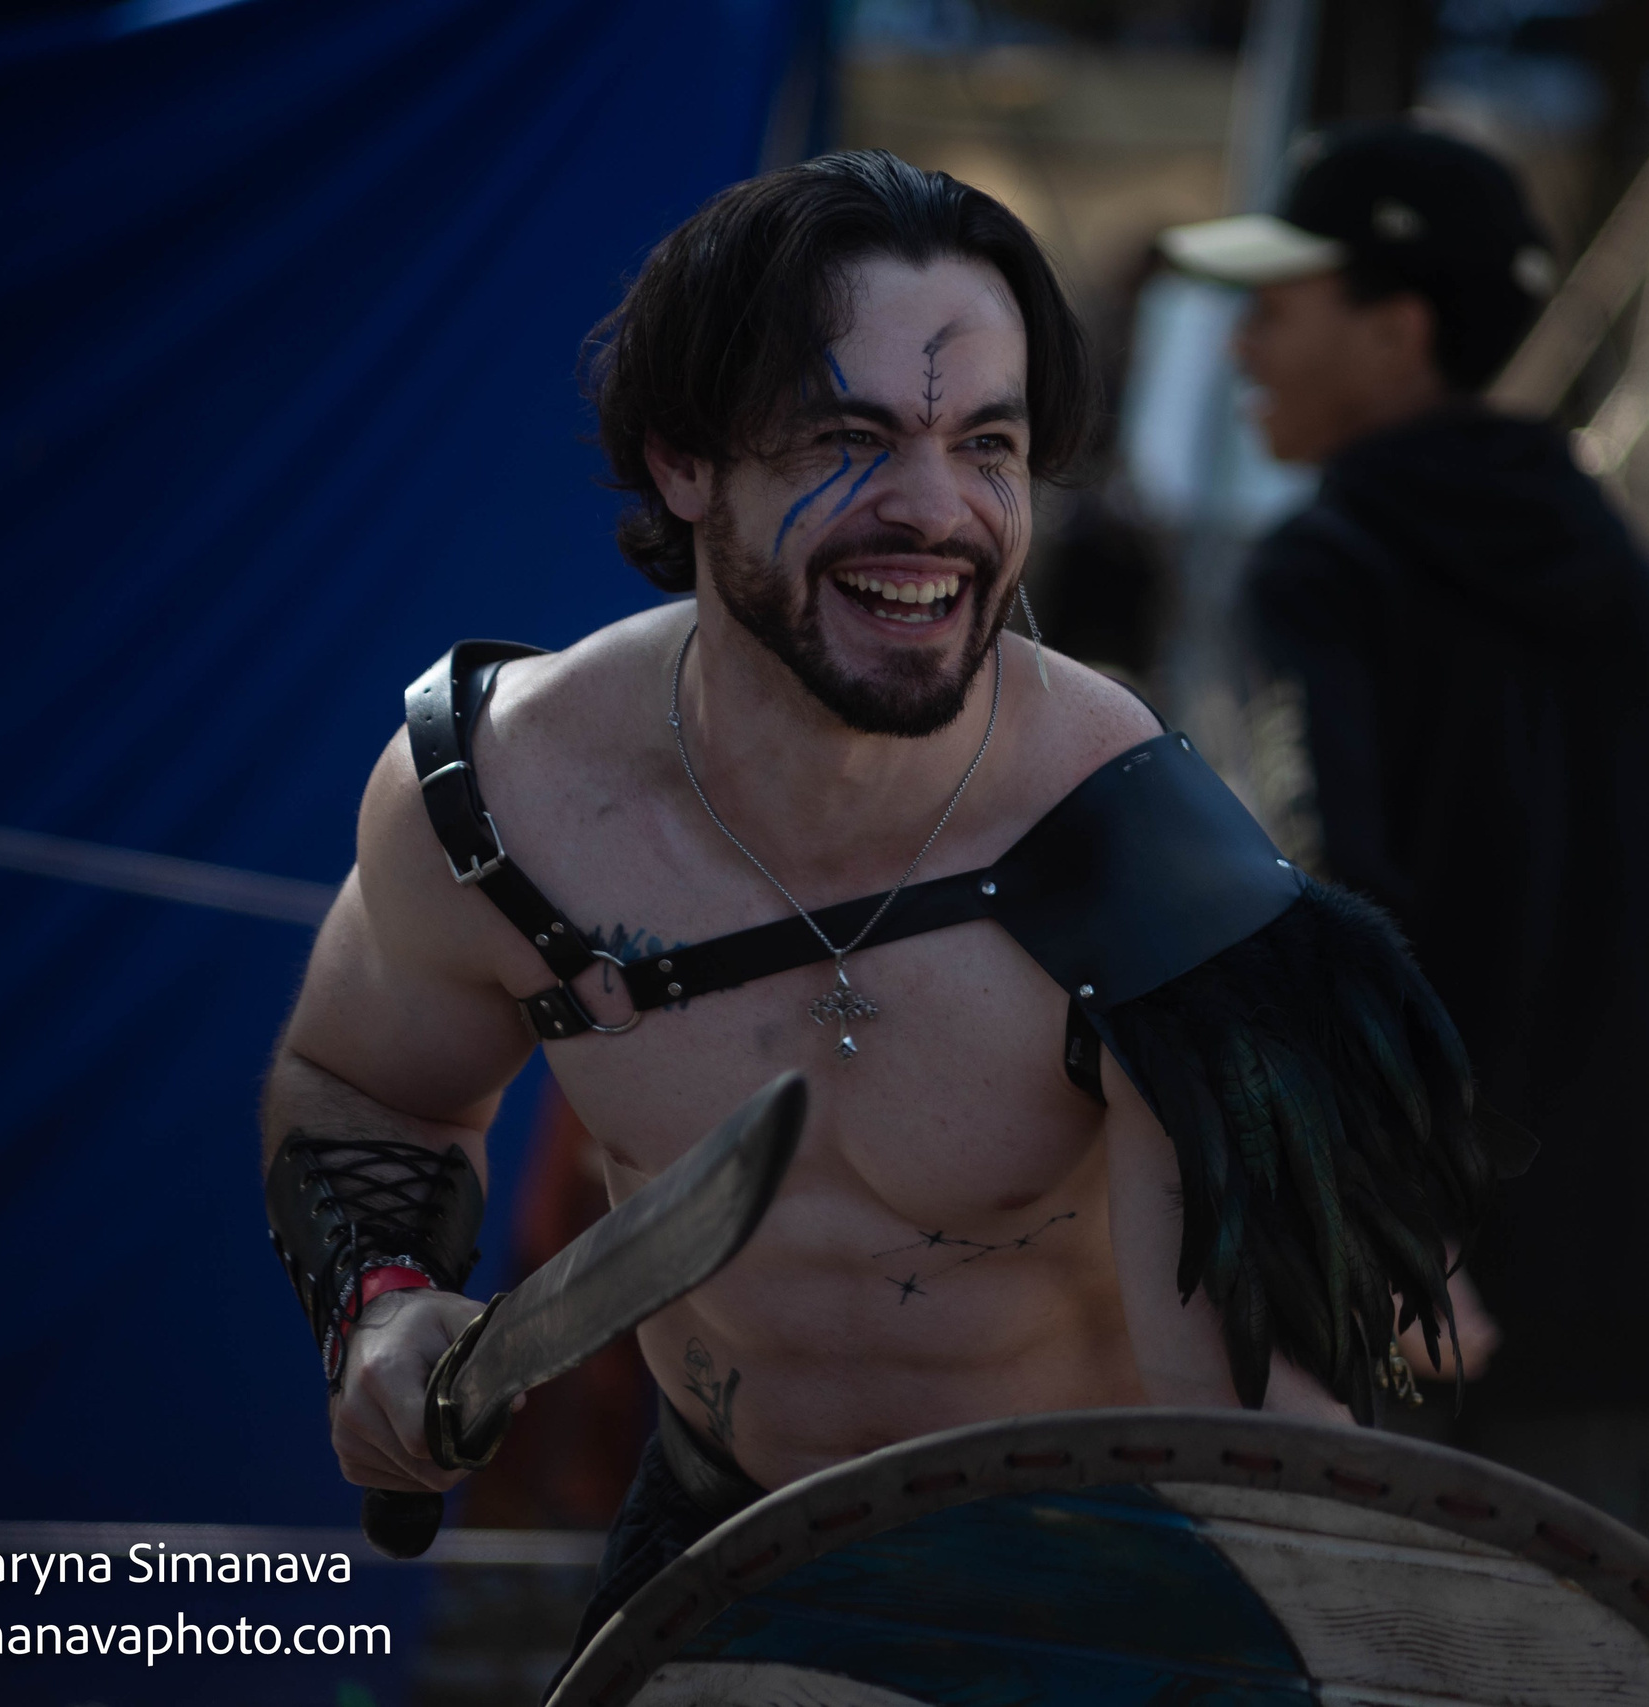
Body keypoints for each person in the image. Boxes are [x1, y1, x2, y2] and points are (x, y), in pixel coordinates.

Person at [257, 150, 1518, 1674]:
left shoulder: (1132, 847)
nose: (938, 512)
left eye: (987, 444)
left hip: (1104, 1590)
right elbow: (365, 1088)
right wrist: (383, 1305)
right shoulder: (504, 804)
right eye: (850, 436)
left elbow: (1259, 1431)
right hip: (726, 1552)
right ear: (683, 463)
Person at [1159, 124, 1649, 1535]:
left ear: (1399, 330)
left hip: (1407, 1295)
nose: (1240, 350)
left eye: (1272, 309)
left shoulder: (1322, 575)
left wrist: (1400, 1218)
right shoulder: (1648, 599)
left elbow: (1311, 913)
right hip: (1634, 1288)